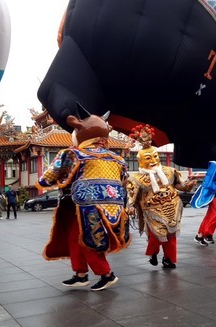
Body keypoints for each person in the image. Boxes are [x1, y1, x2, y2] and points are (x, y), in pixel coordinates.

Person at [37, 104, 130, 291]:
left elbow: (46, 179)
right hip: (110, 206)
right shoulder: (117, 158)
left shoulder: (73, 153)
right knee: (76, 237)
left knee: (87, 239)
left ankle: (106, 273)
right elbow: (124, 182)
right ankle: (80, 273)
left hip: (84, 205)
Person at [126, 124, 196, 269]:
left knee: (171, 236)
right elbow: (132, 197)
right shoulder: (137, 179)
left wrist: (187, 186)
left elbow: (178, 185)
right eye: (148, 158)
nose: (152, 160)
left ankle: (169, 259)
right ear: (140, 160)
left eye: (155, 156)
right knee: (156, 235)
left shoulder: (169, 171)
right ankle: (153, 252)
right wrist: (130, 207)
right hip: (153, 210)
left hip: (172, 205)